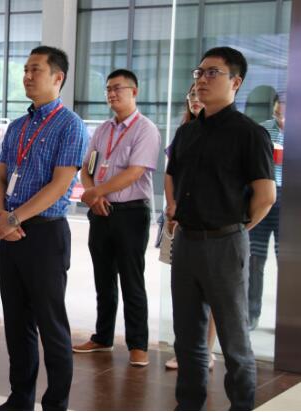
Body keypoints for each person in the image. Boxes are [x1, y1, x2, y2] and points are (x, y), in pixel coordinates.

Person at [165, 46, 275, 410]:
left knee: (234, 340)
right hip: (186, 243)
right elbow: (174, 179)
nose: (201, 80)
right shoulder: (187, 133)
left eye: (213, 73)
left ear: (236, 82)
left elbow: (265, 196)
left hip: (225, 243)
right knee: (188, 339)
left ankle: (241, 405)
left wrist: (235, 229)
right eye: (199, 73)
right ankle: (188, 404)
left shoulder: (250, 134)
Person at [0, 45, 88, 411]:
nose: (27, 76)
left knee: (51, 324)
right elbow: (0, 177)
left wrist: (14, 218)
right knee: (16, 322)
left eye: (36, 70)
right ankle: (20, 398)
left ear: (57, 77)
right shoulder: (18, 126)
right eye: (26, 70)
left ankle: (56, 404)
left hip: (46, 234)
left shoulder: (70, 125)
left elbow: (61, 185)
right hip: (10, 233)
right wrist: (2, 215)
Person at [72, 69, 161, 367]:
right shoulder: (102, 130)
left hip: (131, 213)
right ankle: (102, 337)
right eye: (108, 89)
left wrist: (95, 193)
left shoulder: (146, 129)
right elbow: (87, 168)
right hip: (101, 212)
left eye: (118, 88)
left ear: (134, 92)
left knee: (132, 280)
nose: (111, 94)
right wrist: (94, 195)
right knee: (103, 278)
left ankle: (138, 345)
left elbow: (135, 172)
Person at [164, 84, 216, 371]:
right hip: (181, 221)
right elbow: (170, 174)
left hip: (215, 228)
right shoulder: (184, 131)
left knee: (212, 292)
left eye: (199, 94)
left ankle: (206, 350)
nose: (195, 99)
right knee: (185, 293)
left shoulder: (230, 131)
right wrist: (172, 207)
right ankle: (185, 350)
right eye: (191, 95)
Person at [248, 95, 285, 330]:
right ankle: (252, 313)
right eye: (278, 113)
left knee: (287, 260)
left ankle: (287, 318)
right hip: (263, 196)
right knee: (256, 259)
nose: (281, 118)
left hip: (289, 201)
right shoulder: (262, 130)